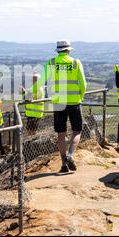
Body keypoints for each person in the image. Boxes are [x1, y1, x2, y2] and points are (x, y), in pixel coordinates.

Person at [35, 40, 87, 173]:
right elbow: (83, 84)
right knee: (77, 131)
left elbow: (40, 81)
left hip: (58, 102)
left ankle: (64, 163)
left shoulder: (51, 63)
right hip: (74, 101)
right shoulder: (76, 63)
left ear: (58, 51)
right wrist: (80, 96)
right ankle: (70, 155)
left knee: (61, 134)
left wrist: (29, 92)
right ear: (69, 50)